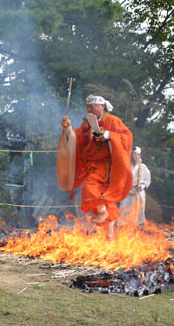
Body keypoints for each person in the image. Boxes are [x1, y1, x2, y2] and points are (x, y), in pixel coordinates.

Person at [57, 94, 133, 239]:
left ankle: (102, 210)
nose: (89, 109)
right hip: (90, 165)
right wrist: (68, 129)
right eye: (88, 107)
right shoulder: (87, 125)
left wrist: (109, 135)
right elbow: (76, 138)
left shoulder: (113, 121)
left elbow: (127, 137)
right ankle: (109, 238)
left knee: (89, 187)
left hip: (106, 166)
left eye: (92, 106)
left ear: (102, 106)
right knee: (106, 199)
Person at [118, 146, 151, 228]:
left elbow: (147, 181)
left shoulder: (144, 167)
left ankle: (140, 228)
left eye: (136, 154)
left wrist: (141, 186)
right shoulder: (126, 166)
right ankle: (122, 228)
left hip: (139, 192)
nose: (134, 156)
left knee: (140, 210)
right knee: (124, 209)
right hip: (127, 192)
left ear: (139, 156)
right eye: (132, 154)